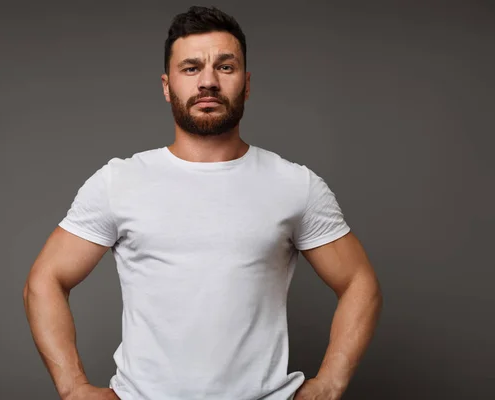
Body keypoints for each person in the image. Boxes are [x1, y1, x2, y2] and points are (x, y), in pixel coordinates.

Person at [23, 5, 383, 400]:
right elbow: (45, 280)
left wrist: (330, 383)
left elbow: (359, 283)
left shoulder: (295, 185)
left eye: (225, 68)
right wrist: (74, 389)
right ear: (166, 85)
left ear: (246, 84)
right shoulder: (119, 182)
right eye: (191, 68)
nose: (208, 82)